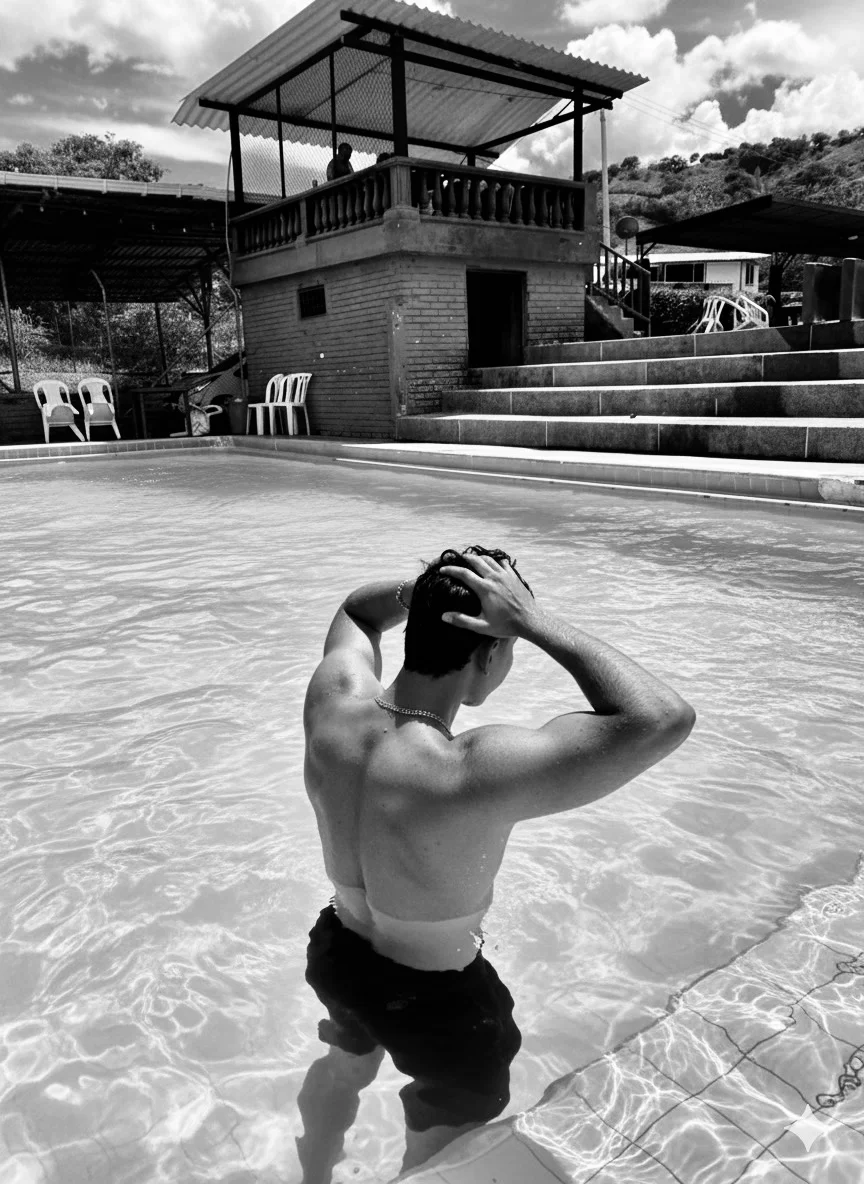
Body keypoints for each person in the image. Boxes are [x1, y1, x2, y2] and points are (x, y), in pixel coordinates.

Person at [297, 546, 696, 1179]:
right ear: (490, 653)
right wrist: (533, 621)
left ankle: (314, 1173)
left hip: (339, 956)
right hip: (439, 1010)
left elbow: (357, 611)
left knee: (344, 1065)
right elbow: (662, 717)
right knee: (439, 1162)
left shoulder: (333, 703)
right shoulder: (471, 771)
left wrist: (428, 593)